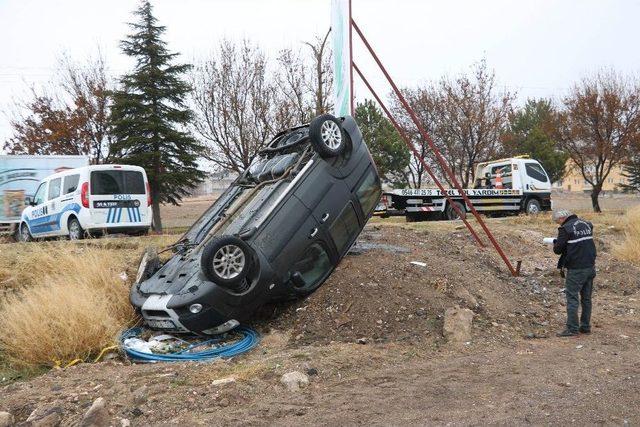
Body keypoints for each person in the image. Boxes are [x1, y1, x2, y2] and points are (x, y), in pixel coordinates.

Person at [552, 209, 597, 337]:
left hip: (576, 269)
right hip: (590, 266)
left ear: (562, 218)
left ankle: (572, 328)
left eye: (557, 222)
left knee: (572, 298)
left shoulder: (565, 228)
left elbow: (558, 250)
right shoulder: (587, 224)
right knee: (586, 299)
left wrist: (555, 243)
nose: (558, 225)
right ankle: (585, 327)